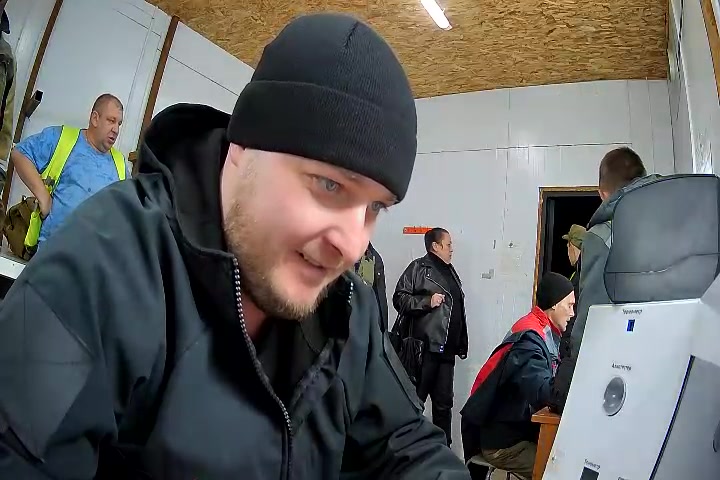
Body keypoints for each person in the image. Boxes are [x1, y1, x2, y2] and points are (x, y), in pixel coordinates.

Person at [0, 13, 471, 479]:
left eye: (375, 207)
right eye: (329, 185)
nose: (352, 246)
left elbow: (409, 447)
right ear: (243, 148)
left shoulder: (349, 308)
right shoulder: (107, 265)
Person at [550, 147, 658, 413]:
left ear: (602, 194)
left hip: (619, 373)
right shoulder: (675, 218)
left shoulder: (600, 237)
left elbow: (592, 322)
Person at [461, 273, 575, 480]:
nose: (572, 313)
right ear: (555, 304)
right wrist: (572, 359)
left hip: (515, 432)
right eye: (569, 305)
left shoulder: (540, 330)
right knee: (561, 472)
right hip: (504, 444)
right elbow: (545, 393)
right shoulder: (529, 339)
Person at [9, 93, 127, 246]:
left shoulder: (120, 164)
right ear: (95, 119)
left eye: (119, 124)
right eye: (111, 120)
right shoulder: (62, 138)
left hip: (95, 257)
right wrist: (43, 197)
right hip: (53, 251)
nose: (116, 129)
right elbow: (20, 153)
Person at [393, 227, 468, 446]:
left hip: (446, 352)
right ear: (435, 246)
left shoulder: (450, 271)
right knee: (414, 403)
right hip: (424, 351)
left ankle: (442, 453)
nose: (452, 249)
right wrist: (427, 301)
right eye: (448, 244)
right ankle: (405, 451)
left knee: (444, 406)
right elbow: (399, 298)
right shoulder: (419, 268)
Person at [558, 223, 585, 360]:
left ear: (572, 246)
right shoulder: (585, 270)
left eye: (567, 246)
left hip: (573, 342)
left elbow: (574, 312)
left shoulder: (581, 274)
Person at [354, 241, 389, 331]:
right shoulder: (342, 256)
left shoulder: (374, 257)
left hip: (367, 318)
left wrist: (383, 328)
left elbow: (380, 296)